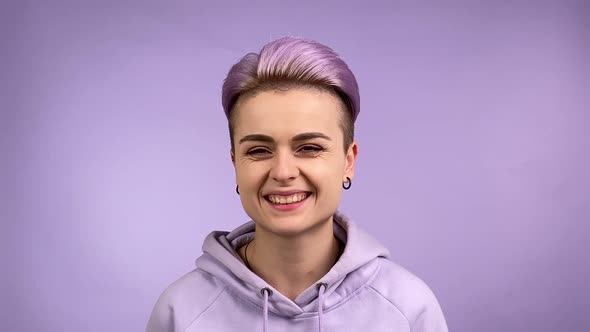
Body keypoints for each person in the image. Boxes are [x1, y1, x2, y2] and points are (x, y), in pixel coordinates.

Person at [146, 36, 448, 332]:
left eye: (310, 148)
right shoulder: (181, 312)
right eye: (259, 151)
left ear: (348, 162)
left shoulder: (408, 309)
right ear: (235, 163)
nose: (283, 172)